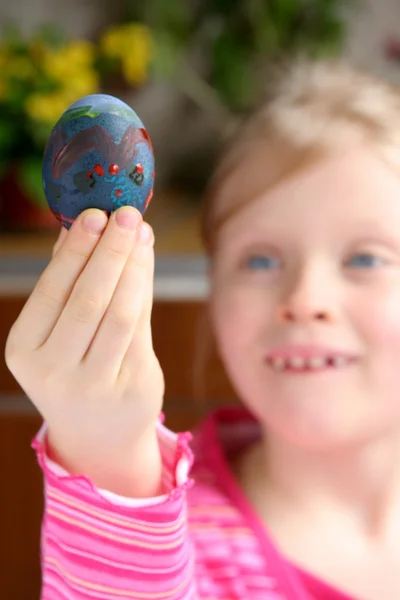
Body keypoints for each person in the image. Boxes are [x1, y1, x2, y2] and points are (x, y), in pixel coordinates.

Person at [6, 58, 400, 600]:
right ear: (215, 293)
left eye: (366, 258)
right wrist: (107, 455)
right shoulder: (176, 546)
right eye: (260, 262)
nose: (307, 301)